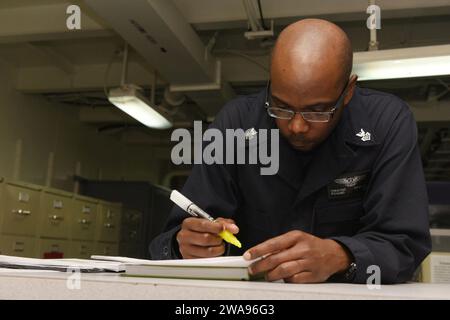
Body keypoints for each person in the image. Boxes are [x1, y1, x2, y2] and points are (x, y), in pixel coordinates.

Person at [150, 19, 431, 284]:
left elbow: (404, 242)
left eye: (318, 111)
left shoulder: (387, 122)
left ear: (348, 91)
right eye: (281, 106)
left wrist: (342, 256)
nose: (297, 126)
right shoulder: (236, 123)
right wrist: (185, 245)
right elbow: (174, 237)